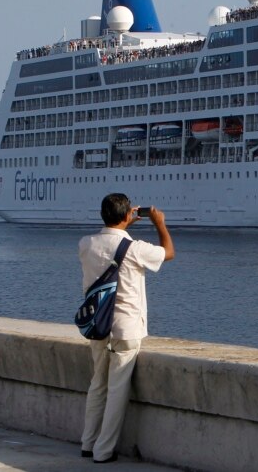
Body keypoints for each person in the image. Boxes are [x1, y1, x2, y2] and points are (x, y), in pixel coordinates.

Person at [78, 194, 174, 464]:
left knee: (98, 384)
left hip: (98, 324)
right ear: (126, 216)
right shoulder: (134, 248)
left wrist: (121, 225)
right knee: (117, 391)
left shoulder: (85, 244)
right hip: (126, 327)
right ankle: (103, 451)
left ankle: (87, 443)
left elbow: (110, 243)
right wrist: (159, 223)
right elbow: (168, 253)